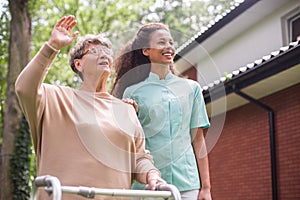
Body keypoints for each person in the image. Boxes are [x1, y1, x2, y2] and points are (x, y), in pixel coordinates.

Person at [15, 15, 165, 200]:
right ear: (78, 64)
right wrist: (52, 46)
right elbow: (24, 88)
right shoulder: (55, 98)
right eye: (95, 51)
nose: (104, 54)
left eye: (106, 51)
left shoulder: (126, 110)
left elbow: (139, 158)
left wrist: (152, 174)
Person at [112, 22, 212, 200]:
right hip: (148, 184)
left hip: (187, 183)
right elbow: (127, 141)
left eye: (171, 42)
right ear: (146, 50)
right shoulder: (132, 92)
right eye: (161, 42)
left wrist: (206, 187)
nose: (168, 47)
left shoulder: (192, 88)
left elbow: (198, 139)